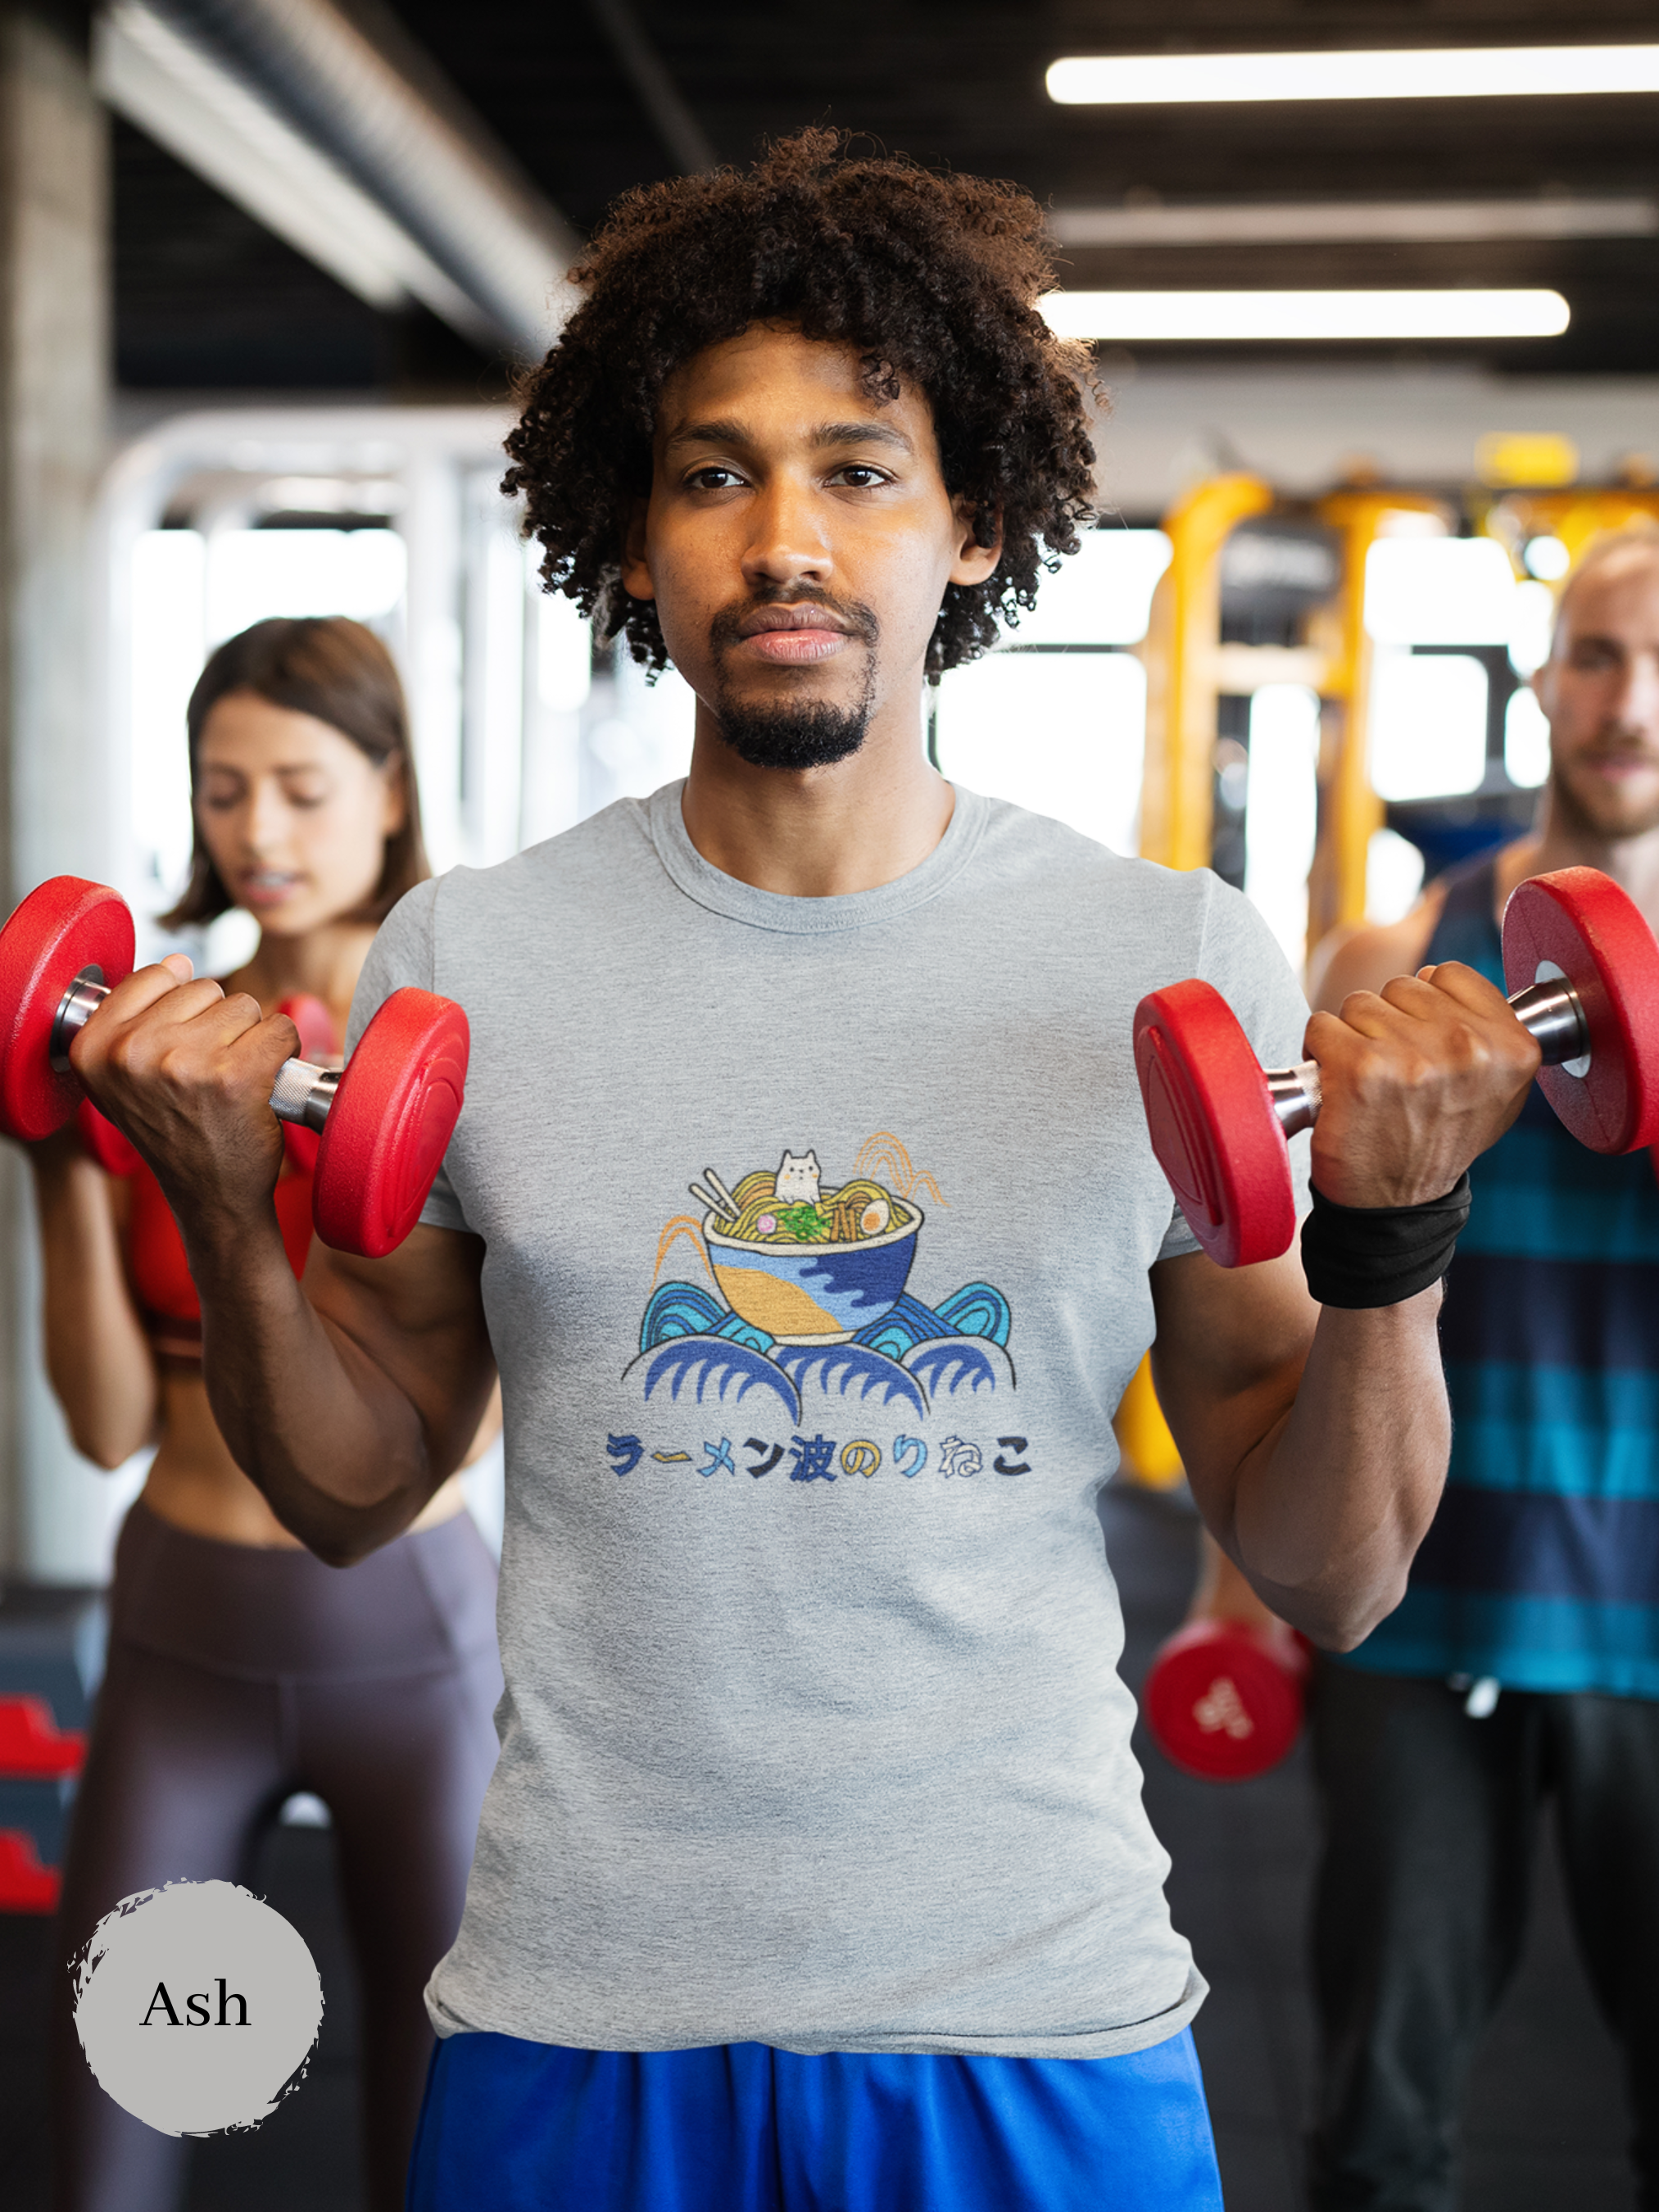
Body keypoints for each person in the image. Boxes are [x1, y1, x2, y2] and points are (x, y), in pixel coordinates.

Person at [70, 135, 1541, 2212]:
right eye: (711, 474)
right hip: (585, 2018)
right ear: (637, 536)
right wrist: (225, 1205)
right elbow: (354, 1486)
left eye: (858, 469)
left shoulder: (1171, 953)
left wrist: (1392, 1248)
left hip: (1029, 2008)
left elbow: (1332, 1568)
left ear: (972, 524)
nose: (784, 539)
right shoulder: (470, 960)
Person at [38, 618, 502, 2212]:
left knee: (434, 2132)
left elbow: (473, 1421)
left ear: (388, 791)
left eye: (302, 789)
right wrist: (53, 1152)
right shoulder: (146, 1050)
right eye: (224, 792)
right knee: (125, 2126)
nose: (259, 834)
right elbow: (102, 1427)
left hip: (412, 1637)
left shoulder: (459, 1052)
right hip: (181, 1623)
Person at [1306, 532, 1659, 2211]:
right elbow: (1303, 1307)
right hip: (1419, 1597)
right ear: (1544, 684)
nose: (1631, 704)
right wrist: (1245, 1601)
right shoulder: (1400, 962)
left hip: (1651, 1606)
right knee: (1379, 2137)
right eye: (1596, 656)